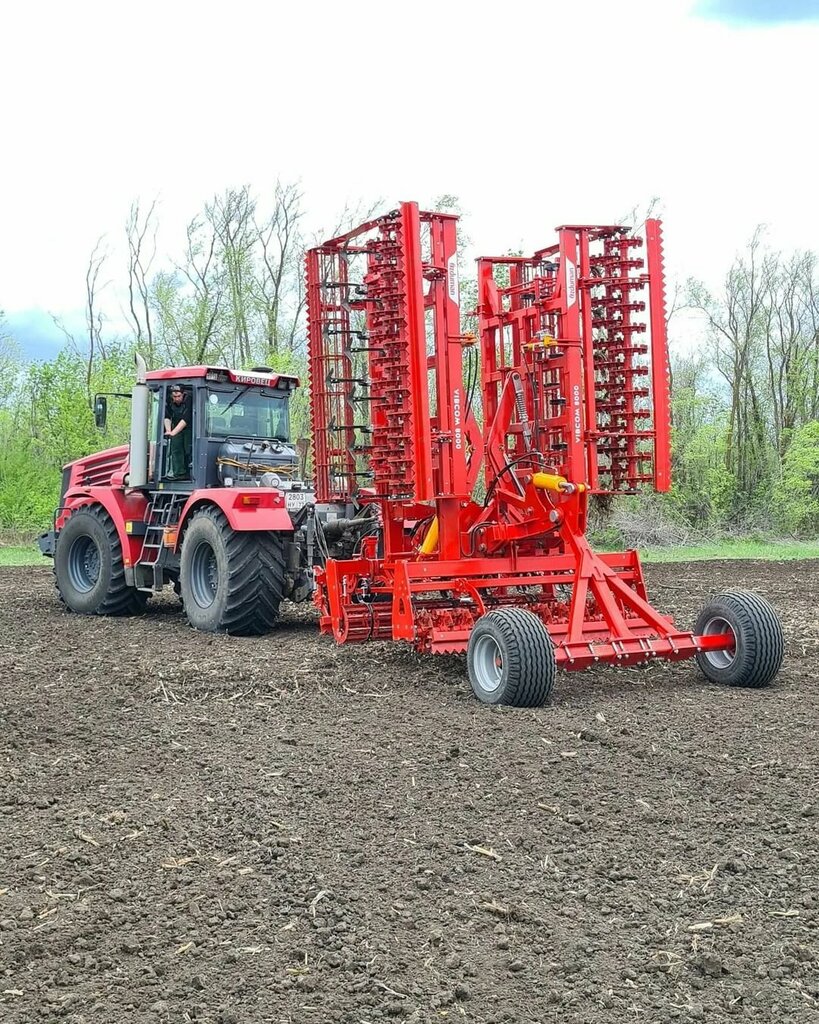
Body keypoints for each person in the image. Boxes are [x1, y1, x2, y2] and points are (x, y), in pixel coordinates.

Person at [164, 385, 192, 479]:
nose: (176, 399)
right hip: (175, 425)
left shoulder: (189, 400)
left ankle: (190, 473)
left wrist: (173, 432)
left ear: (183, 394)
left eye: (178, 396)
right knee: (176, 448)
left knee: (188, 448)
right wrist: (168, 430)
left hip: (189, 427)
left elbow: (186, 418)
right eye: (174, 397)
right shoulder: (168, 400)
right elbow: (167, 416)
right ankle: (179, 473)